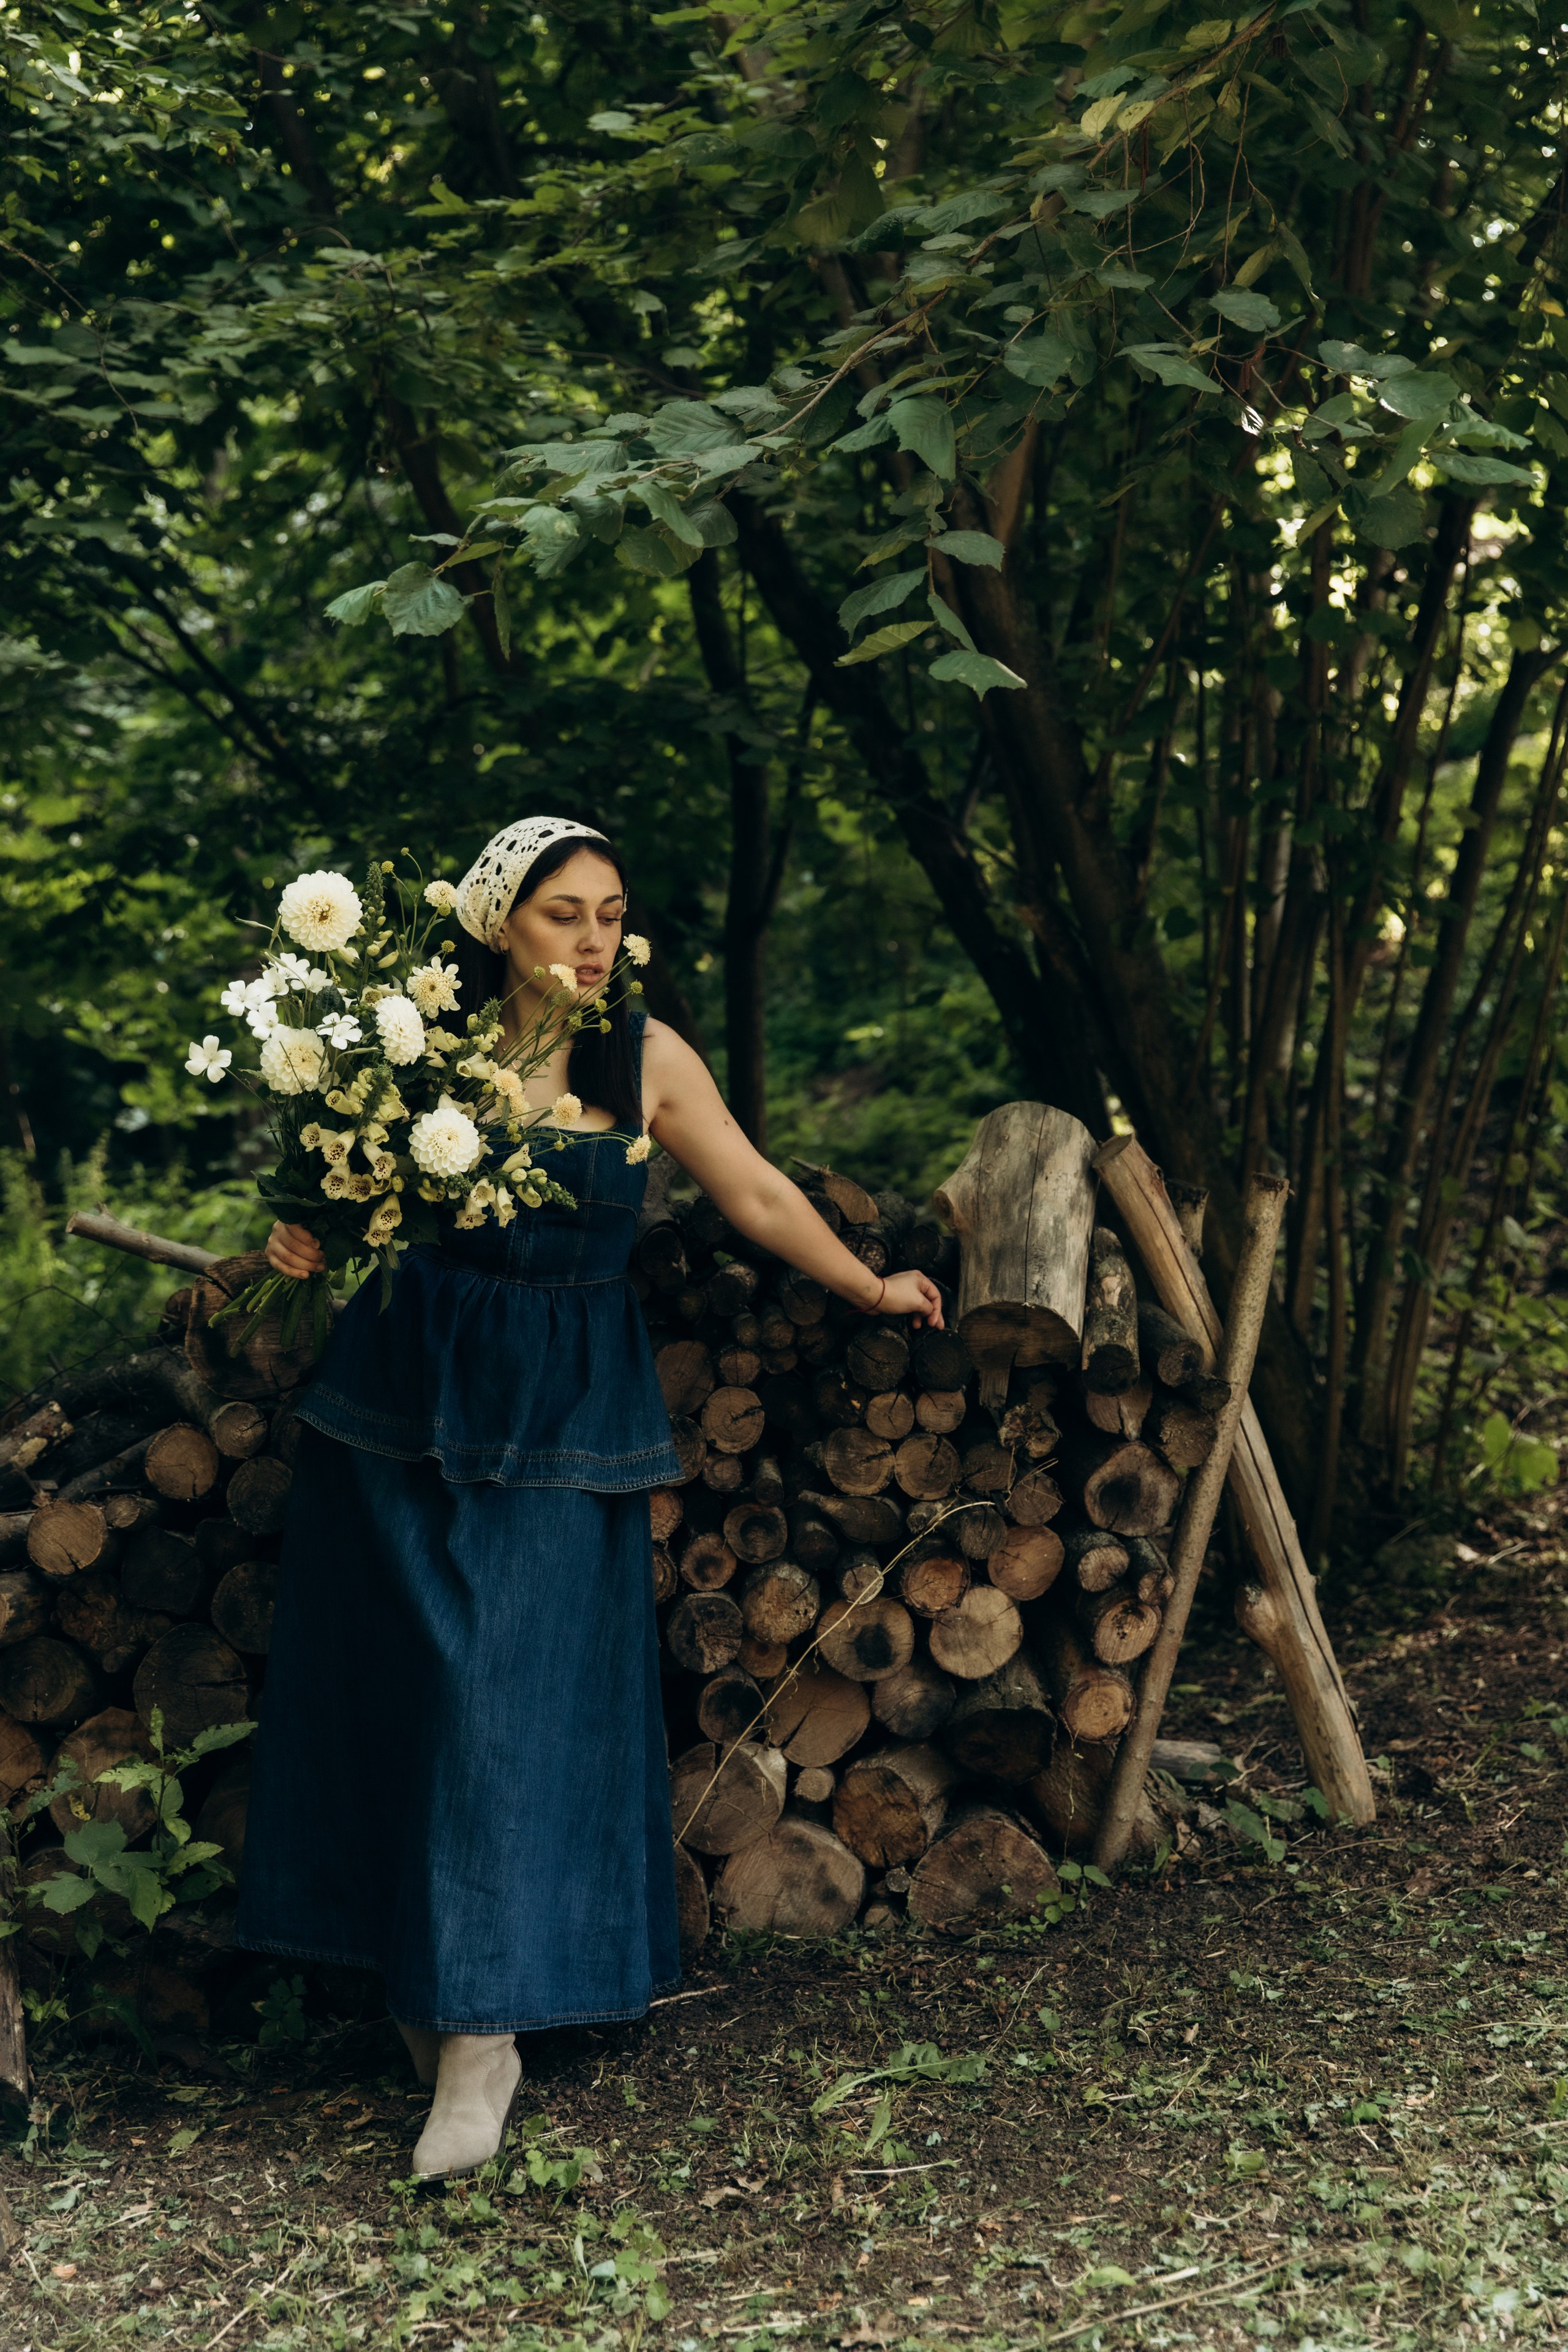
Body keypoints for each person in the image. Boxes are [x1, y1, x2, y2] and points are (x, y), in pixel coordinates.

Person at [235, 815, 944, 2181]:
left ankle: (482, 2040)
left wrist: (862, 1285)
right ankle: (423, 1982)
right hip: (400, 1391)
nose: (593, 938)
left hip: (559, 1403)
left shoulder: (643, 1058)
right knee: (400, 1683)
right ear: (500, 922)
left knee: (504, 1696)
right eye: (565, 913)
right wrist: (298, 1233)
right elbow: (353, 1205)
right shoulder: (412, 1040)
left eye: (611, 914)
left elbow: (746, 1188)